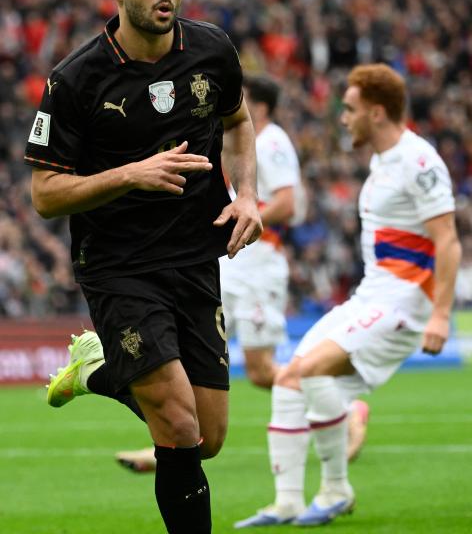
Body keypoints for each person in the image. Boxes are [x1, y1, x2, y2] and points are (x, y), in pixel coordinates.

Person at [24, 0, 262, 534]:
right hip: (119, 267)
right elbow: (46, 196)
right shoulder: (76, 80)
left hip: (195, 260)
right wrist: (132, 173)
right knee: (178, 425)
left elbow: (237, 122)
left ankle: (99, 370)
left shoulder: (212, 50)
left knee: (205, 439)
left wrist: (249, 195)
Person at [234, 63, 462, 528]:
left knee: (312, 369)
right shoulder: (381, 162)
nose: (343, 117)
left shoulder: (419, 161)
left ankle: (337, 489)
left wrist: (441, 315)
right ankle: (287, 502)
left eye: (351, 109)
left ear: (377, 113)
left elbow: (448, 240)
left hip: (404, 302)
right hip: (371, 296)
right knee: (289, 377)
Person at [112, 74, 369, 473]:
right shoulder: (239, 141)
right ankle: (173, 441)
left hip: (259, 264)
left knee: (263, 370)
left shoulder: (272, 141)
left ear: (259, 105)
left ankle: (345, 408)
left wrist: (244, 217)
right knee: (184, 355)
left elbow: (286, 203)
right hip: (229, 262)